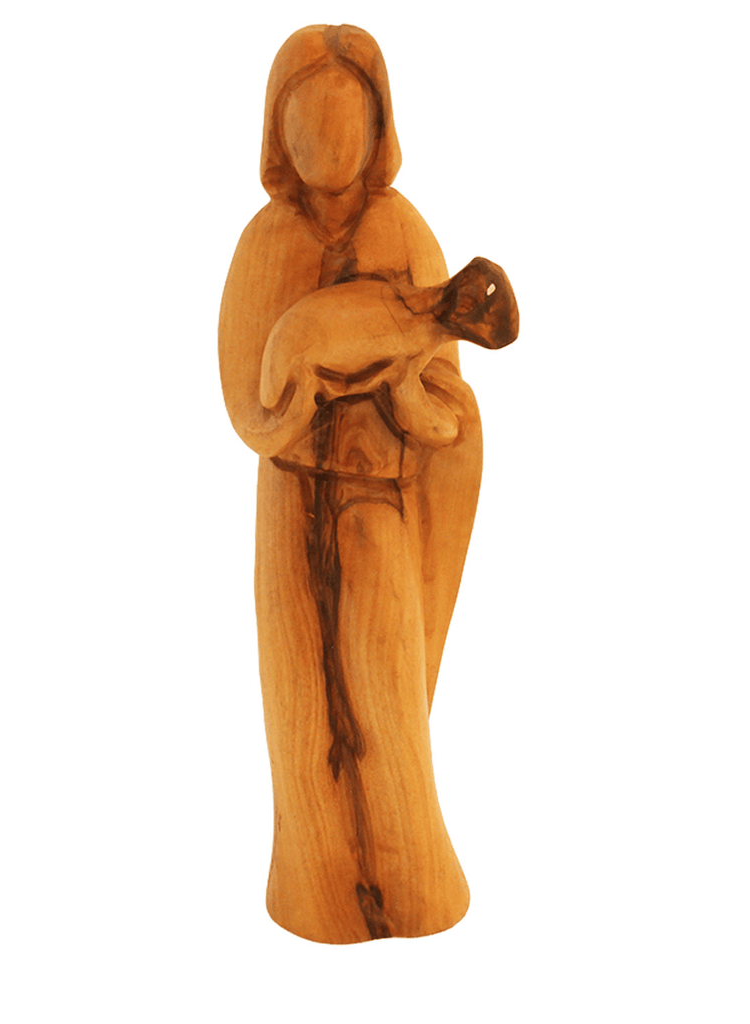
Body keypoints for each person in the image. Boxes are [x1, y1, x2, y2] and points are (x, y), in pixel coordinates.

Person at [219, 24, 483, 943]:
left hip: (378, 504)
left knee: (384, 696)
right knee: (300, 703)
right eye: (307, 128)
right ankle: (315, 881)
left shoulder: (404, 234)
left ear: (378, 130)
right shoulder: (264, 242)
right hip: (290, 499)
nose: (327, 151)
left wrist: (402, 383)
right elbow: (245, 396)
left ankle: (414, 880)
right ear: (278, 133)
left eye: (345, 126)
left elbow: (446, 406)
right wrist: (298, 393)